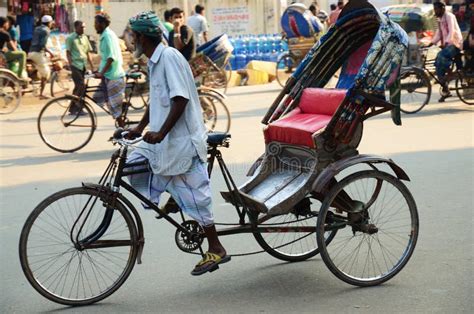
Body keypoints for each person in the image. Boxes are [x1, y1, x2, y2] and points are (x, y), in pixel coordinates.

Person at [127, 11, 229, 276]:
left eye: (131, 35)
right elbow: (158, 98)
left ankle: (216, 246)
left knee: (199, 197)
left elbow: (180, 99)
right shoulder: (154, 60)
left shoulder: (169, 58)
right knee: (134, 162)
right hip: (167, 140)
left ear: (140, 37)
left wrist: (160, 132)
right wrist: (140, 127)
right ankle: (174, 194)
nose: (129, 40)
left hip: (182, 140)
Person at [93, 13, 126, 127]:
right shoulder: (105, 35)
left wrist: (101, 73)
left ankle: (124, 131)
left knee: (115, 109)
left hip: (114, 75)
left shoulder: (107, 36)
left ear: (102, 24)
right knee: (99, 98)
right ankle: (121, 116)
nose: (95, 26)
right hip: (109, 74)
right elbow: (105, 57)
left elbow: (111, 57)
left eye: (96, 23)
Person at [426, 0, 463, 102]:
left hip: (455, 43)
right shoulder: (440, 19)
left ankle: (449, 73)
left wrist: (446, 42)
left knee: (441, 56)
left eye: (436, 8)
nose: (435, 11)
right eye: (434, 9)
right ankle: (446, 89)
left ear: (442, 8)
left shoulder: (450, 16)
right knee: (437, 63)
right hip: (447, 45)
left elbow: (452, 31)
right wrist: (431, 43)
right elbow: (439, 34)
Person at [66, 20, 94, 114]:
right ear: (76, 28)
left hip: (83, 65)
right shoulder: (71, 38)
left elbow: (88, 52)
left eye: (84, 27)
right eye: (81, 27)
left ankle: (73, 108)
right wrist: (71, 65)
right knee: (80, 86)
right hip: (75, 65)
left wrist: (92, 66)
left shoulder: (85, 38)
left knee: (78, 88)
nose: (83, 29)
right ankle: (78, 107)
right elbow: (68, 52)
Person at [28, 15, 55, 99]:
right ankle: (41, 94)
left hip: (31, 52)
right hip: (37, 53)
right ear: (49, 23)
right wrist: (50, 52)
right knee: (46, 73)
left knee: (39, 69)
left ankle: (35, 85)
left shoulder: (37, 28)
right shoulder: (46, 30)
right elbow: (42, 45)